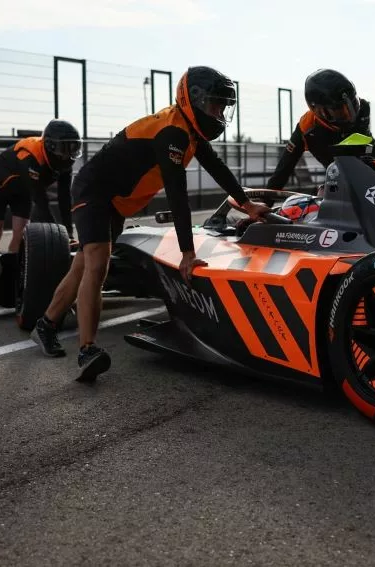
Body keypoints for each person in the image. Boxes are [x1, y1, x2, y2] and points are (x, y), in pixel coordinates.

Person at [29, 66, 271, 381]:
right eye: (214, 104)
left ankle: (46, 325)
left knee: (82, 268)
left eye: (223, 105)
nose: (219, 111)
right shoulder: (172, 132)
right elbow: (177, 195)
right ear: (193, 100)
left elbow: (217, 167)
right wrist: (187, 252)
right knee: (97, 266)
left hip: (114, 200)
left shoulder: (189, 132)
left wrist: (247, 203)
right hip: (94, 191)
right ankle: (87, 349)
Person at [0, 120, 79, 298]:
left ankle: (12, 279)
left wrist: (69, 234)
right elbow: (41, 202)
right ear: (50, 146)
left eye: (72, 148)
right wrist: (61, 238)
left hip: (23, 190)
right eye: (64, 149)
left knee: (21, 233)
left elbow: (64, 200)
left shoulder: (65, 164)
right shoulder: (31, 157)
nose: (67, 155)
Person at [266, 69, 375, 193]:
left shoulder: (363, 108)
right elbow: (283, 169)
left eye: (353, 105)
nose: (350, 116)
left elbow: (368, 143)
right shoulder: (307, 127)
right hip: (336, 171)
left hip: (361, 152)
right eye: (340, 111)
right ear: (318, 110)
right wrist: (264, 203)